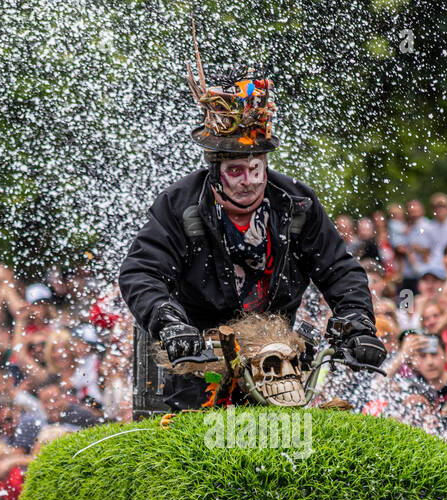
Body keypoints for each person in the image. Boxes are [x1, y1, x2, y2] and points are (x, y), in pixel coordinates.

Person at [119, 68, 381, 409]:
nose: (249, 181)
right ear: (215, 171)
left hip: (276, 361)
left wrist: (358, 321)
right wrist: (168, 321)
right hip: (199, 357)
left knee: (291, 441)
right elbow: (140, 272)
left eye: (256, 168)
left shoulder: (298, 203)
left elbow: (339, 270)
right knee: (197, 442)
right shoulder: (179, 204)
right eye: (236, 171)